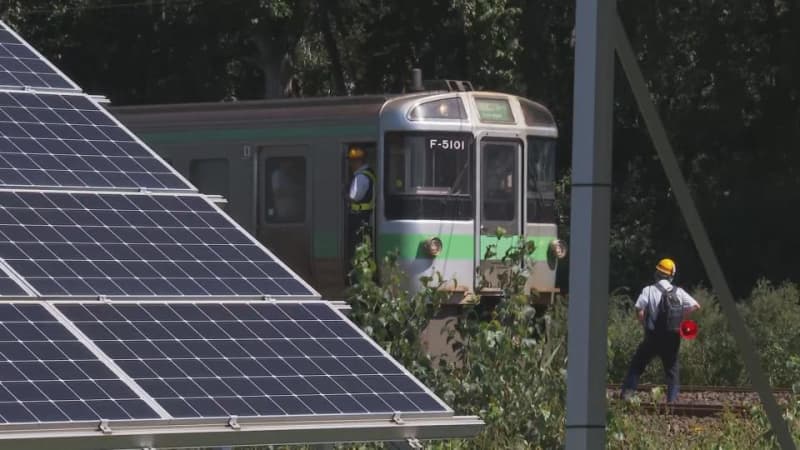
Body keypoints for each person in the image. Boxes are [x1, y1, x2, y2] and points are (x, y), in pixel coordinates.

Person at [620, 258, 701, 403]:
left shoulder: (648, 290)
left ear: (657, 272)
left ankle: (627, 394)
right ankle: (672, 401)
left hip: (652, 336)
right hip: (672, 337)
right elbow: (695, 306)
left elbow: (639, 308)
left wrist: (644, 324)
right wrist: (682, 320)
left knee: (637, 365)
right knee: (672, 371)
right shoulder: (679, 292)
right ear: (671, 275)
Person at [345, 145, 375, 278]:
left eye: (352, 161)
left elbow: (353, 197)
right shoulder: (370, 174)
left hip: (358, 218)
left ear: (358, 162)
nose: (351, 164)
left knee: (357, 249)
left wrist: (344, 194)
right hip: (367, 217)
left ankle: (357, 278)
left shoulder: (360, 177)